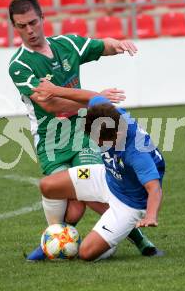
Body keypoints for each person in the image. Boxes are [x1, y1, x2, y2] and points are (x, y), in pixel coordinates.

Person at [7, 0, 155, 261]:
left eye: (32, 23)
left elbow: (101, 46)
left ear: (42, 19)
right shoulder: (19, 65)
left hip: (85, 132)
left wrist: (118, 44)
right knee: (72, 209)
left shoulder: (67, 45)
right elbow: (51, 105)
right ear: (14, 27)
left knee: (95, 189)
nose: (29, 31)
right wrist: (94, 98)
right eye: (21, 26)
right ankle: (55, 236)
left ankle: (138, 238)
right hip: (51, 139)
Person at [33, 82, 165, 261]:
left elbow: (154, 188)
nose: (99, 145)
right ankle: (55, 236)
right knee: (48, 185)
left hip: (128, 204)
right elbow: (91, 96)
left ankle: (113, 238)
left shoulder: (137, 153)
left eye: (102, 141)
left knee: (86, 253)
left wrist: (150, 215)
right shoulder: (108, 113)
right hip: (106, 176)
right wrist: (55, 91)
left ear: (117, 133)